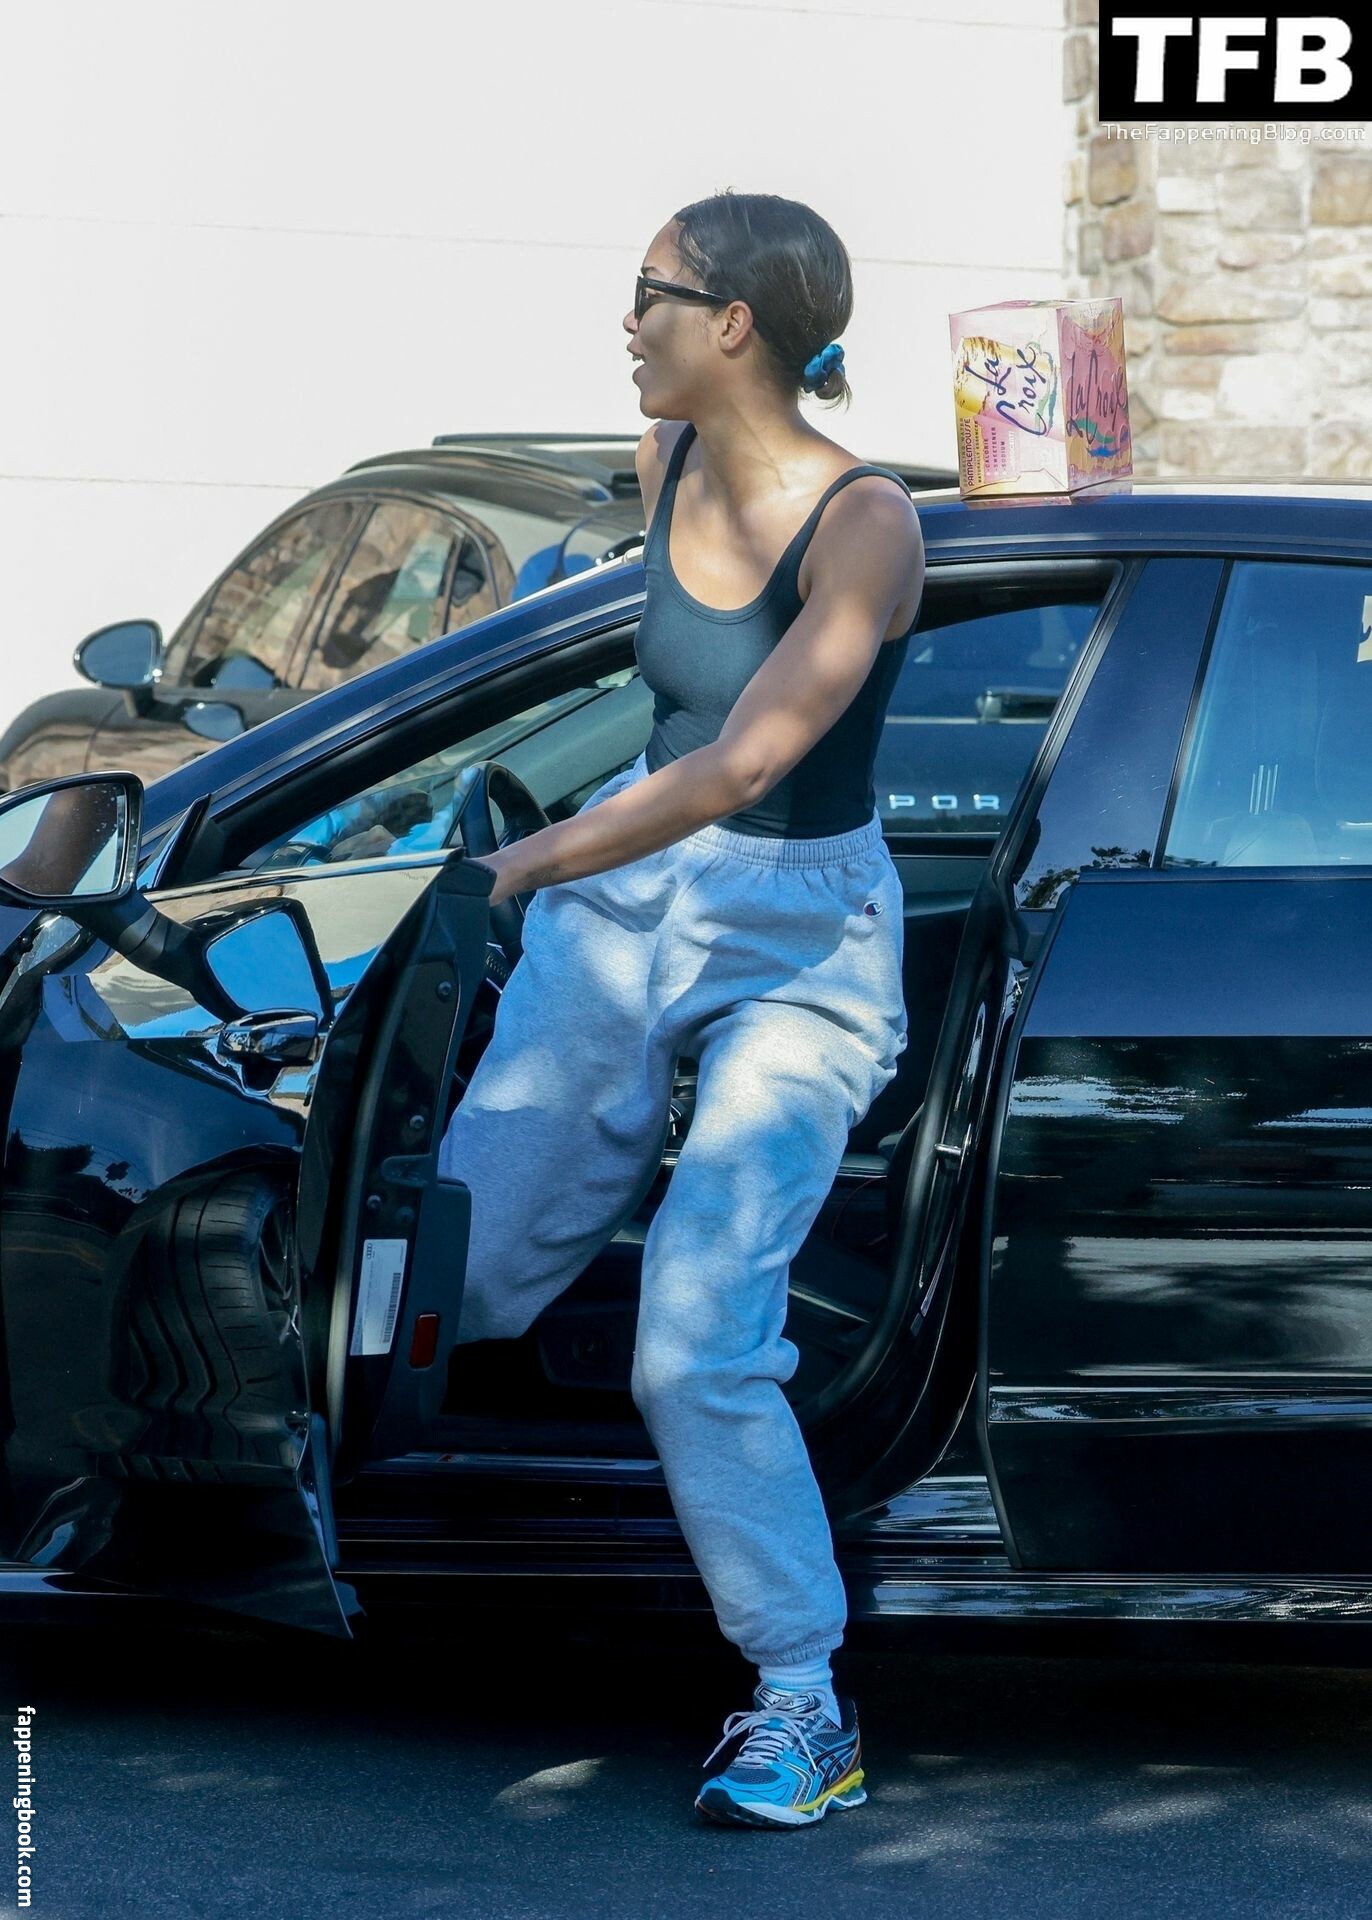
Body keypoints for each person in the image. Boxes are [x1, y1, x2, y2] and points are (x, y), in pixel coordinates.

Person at [438, 189, 925, 1830]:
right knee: (461, 1255)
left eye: (649, 291)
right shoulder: (665, 461)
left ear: (733, 322)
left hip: (800, 940)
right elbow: (634, 692)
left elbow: (745, 760)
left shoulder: (867, 524)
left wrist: (518, 865)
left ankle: (801, 1700)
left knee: (693, 1335)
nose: (625, 319)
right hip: (630, 903)